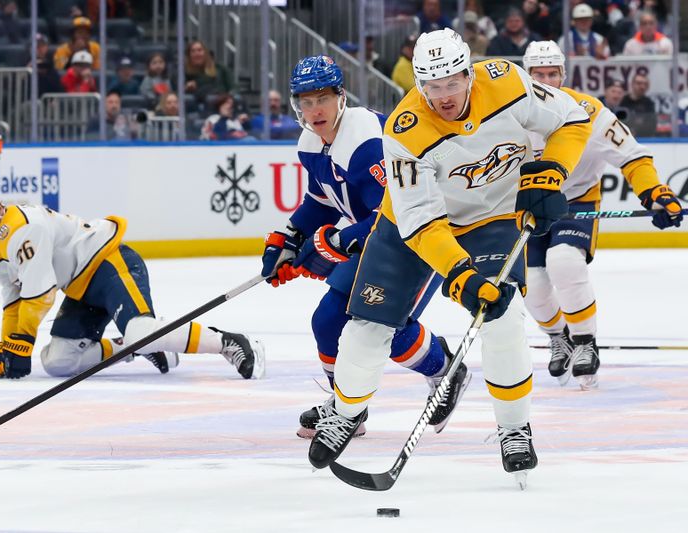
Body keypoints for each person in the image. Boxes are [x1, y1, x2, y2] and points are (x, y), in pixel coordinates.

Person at [302, 29, 592, 486]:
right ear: (419, 82)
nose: (443, 97)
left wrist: (552, 171)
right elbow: (421, 222)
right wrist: (460, 276)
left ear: (468, 72)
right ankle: (345, 413)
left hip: (490, 217)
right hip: (409, 228)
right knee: (367, 324)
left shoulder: (508, 82)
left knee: (502, 315)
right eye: (431, 87)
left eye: (452, 83)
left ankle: (514, 428)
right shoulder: (404, 129)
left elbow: (573, 119)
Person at [260, 55, 470, 440]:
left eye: (322, 98)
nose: (314, 110)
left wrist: (336, 241)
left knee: (381, 328)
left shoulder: (367, 142)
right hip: (378, 244)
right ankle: (346, 405)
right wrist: (290, 236)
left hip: (418, 240)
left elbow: (394, 211)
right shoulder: (312, 143)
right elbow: (321, 201)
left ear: (342, 97)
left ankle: (445, 370)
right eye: (305, 102)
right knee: (327, 320)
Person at [0, 184, 265, 381]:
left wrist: (21, 344)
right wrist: (9, 346)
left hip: (109, 264)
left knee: (141, 330)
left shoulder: (20, 226)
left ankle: (228, 342)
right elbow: (13, 300)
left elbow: (40, 294)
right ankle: (135, 348)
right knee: (58, 362)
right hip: (81, 289)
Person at [521, 41, 682, 389]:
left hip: (575, 202)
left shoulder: (588, 112)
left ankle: (584, 342)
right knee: (531, 286)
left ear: (564, 75)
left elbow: (633, 156)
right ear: (526, 76)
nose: (547, 81)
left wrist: (656, 191)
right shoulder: (510, 114)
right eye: (539, 74)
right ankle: (557, 336)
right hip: (529, 207)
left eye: (553, 73)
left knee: (563, 260)